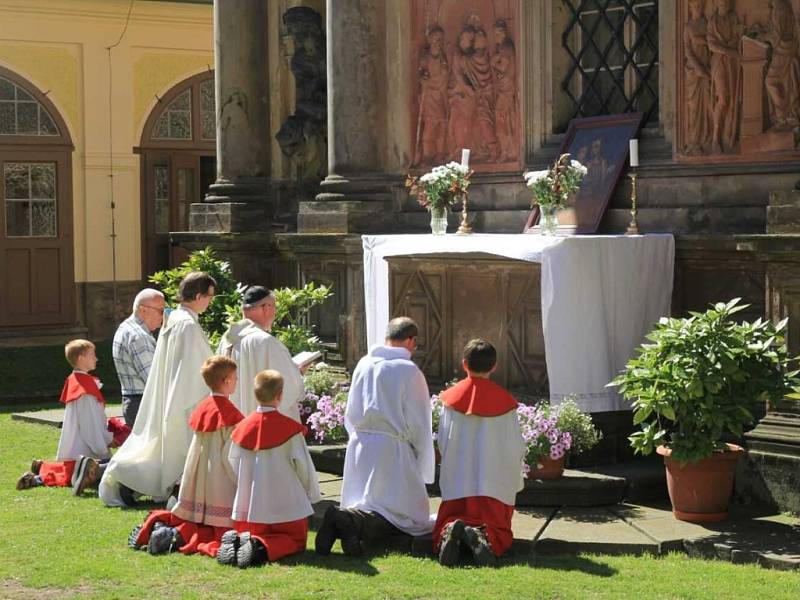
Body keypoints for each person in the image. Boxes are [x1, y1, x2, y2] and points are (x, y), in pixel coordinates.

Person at [315, 317, 434, 556]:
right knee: (406, 518)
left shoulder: (364, 363)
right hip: (393, 449)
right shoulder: (409, 371)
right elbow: (419, 421)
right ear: (410, 340)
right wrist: (424, 459)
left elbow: (351, 408)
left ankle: (344, 518)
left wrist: (357, 438)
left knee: (367, 502)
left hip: (361, 444)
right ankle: (352, 523)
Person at [99, 272, 216, 507]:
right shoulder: (186, 324)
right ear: (199, 295)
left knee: (158, 448)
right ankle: (135, 482)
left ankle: (130, 482)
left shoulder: (175, 320)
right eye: (210, 296)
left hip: (171, 393)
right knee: (170, 450)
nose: (211, 302)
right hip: (185, 395)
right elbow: (198, 365)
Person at [128, 356, 244, 557]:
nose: (237, 381)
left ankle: (163, 531)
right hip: (219, 476)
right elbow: (230, 454)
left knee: (198, 519)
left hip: (200, 472)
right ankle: (168, 535)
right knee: (221, 528)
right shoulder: (229, 413)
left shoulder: (204, 406)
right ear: (226, 381)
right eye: (235, 377)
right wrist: (240, 478)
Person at [432, 339, 525, 567]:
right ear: (494, 366)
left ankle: (451, 530)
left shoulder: (451, 401)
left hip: (459, 477)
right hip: (493, 481)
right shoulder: (505, 403)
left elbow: (443, 441)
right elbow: (516, 445)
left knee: (452, 512)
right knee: (495, 524)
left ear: (464, 364)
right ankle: (483, 536)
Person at [218, 369, 320, 568]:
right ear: (280, 395)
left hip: (250, 504)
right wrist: (310, 494)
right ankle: (258, 546)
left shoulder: (242, 428)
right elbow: (303, 467)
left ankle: (243, 541)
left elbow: (232, 462)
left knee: (251, 530)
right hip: (287, 503)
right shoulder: (290, 429)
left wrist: (243, 485)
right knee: (294, 540)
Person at [17, 340, 113, 494]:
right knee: (78, 475)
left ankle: (42, 468)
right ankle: (38, 477)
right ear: (81, 358)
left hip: (80, 443)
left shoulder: (78, 380)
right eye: (92, 355)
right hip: (87, 446)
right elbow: (90, 425)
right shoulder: (84, 388)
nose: (96, 358)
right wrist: (104, 445)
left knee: (72, 471)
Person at [218, 286, 303, 421]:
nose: (274, 313)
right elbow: (291, 388)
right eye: (274, 307)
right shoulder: (267, 342)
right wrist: (299, 372)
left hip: (236, 423)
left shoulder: (227, 339)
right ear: (266, 308)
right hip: (264, 426)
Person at [112, 288, 166, 428]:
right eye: (161, 310)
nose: (164, 316)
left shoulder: (126, 328)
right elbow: (153, 379)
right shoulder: (139, 336)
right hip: (143, 403)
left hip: (134, 402)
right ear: (143, 310)